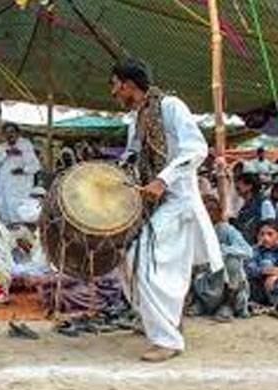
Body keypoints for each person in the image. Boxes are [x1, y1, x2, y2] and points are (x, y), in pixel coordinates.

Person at [111, 59, 222, 362]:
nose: (113, 92)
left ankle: (167, 339)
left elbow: (197, 149)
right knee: (127, 259)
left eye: (114, 84)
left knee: (140, 260)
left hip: (179, 200)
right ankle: (160, 320)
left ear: (128, 85)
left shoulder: (171, 106)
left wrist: (163, 179)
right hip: (153, 202)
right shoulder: (138, 118)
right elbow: (132, 155)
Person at [190, 195, 252, 321]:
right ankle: (200, 302)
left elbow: (248, 251)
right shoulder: (195, 232)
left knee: (233, 261)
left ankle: (228, 305)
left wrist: (221, 250)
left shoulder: (225, 230)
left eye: (212, 210)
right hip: (205, 280)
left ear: (218, 212)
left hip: (224, 281)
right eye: (205, 211)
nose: (209, 214)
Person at [0, 122, 41, 224]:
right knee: (6, 218)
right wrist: (6, 154)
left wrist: (23, 170)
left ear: (17, 133)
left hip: (22, 189)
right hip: (6, 190)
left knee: (22, 217)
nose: (9, 135)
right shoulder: (1, 148)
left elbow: (36, 166)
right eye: (6, 133)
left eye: (12, 132)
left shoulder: (26, 146)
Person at [232, 173, 276, 243]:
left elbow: (270, 226)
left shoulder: (264, 203)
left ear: (249, 186)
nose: (236, 186)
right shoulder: (244, 206)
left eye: (239, 184)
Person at [245, 220, 278, 307]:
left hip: (274, 287)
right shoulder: (253, 250)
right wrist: (265, 271)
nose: (265, 238)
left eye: (270, 234)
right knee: (265, 263)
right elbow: (249, 269)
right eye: (262, 234)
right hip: (258, 289)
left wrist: (275, 276)